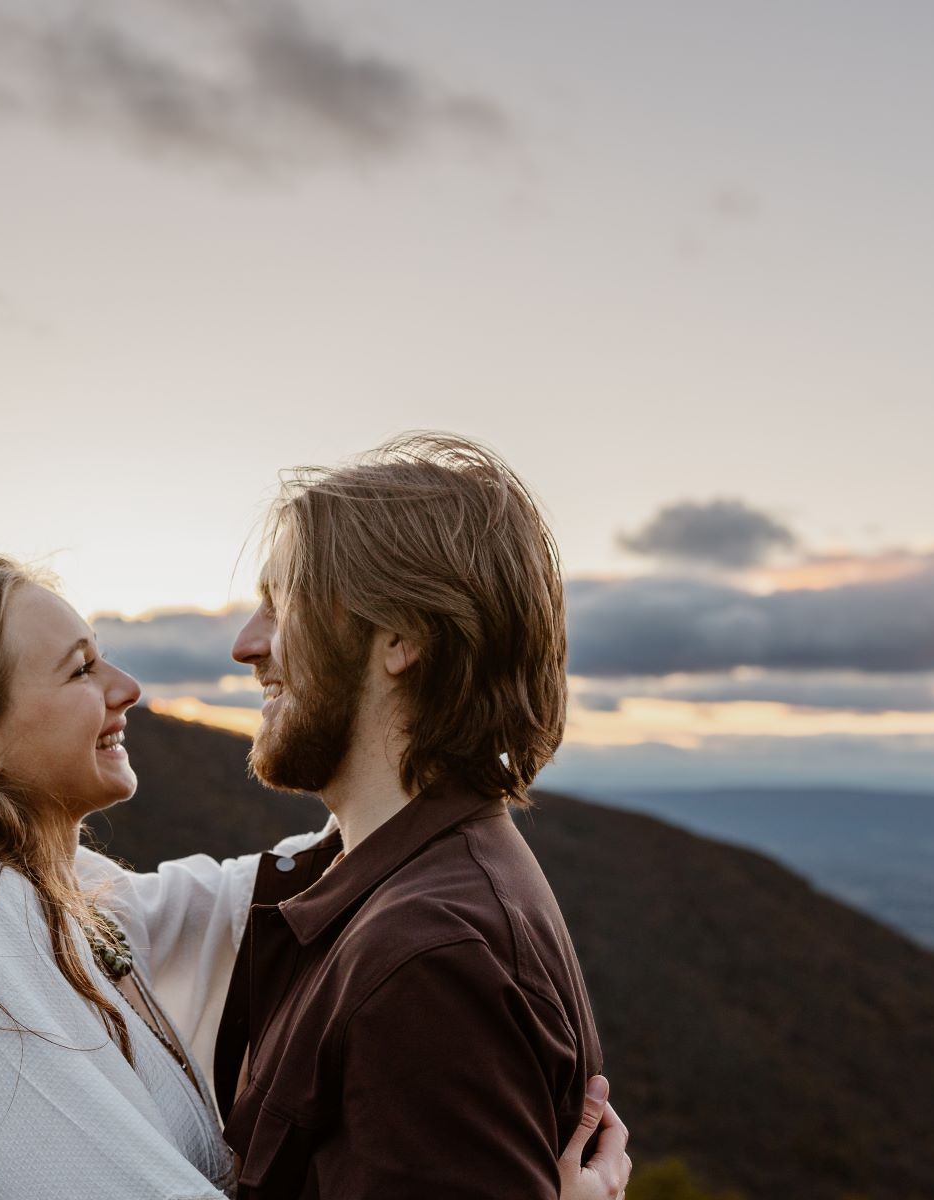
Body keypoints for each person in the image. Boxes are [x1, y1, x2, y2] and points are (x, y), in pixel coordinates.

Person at [0, 551, 629, 1199]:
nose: (127, 687)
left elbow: (256, 888)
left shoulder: (54, 899)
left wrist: (400, 758)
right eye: (82, 669)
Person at [104, 433, 613, 1199]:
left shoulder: (428, 959)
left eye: (282, 603)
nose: (247, 645)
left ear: (401, 634)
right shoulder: (375, 891)